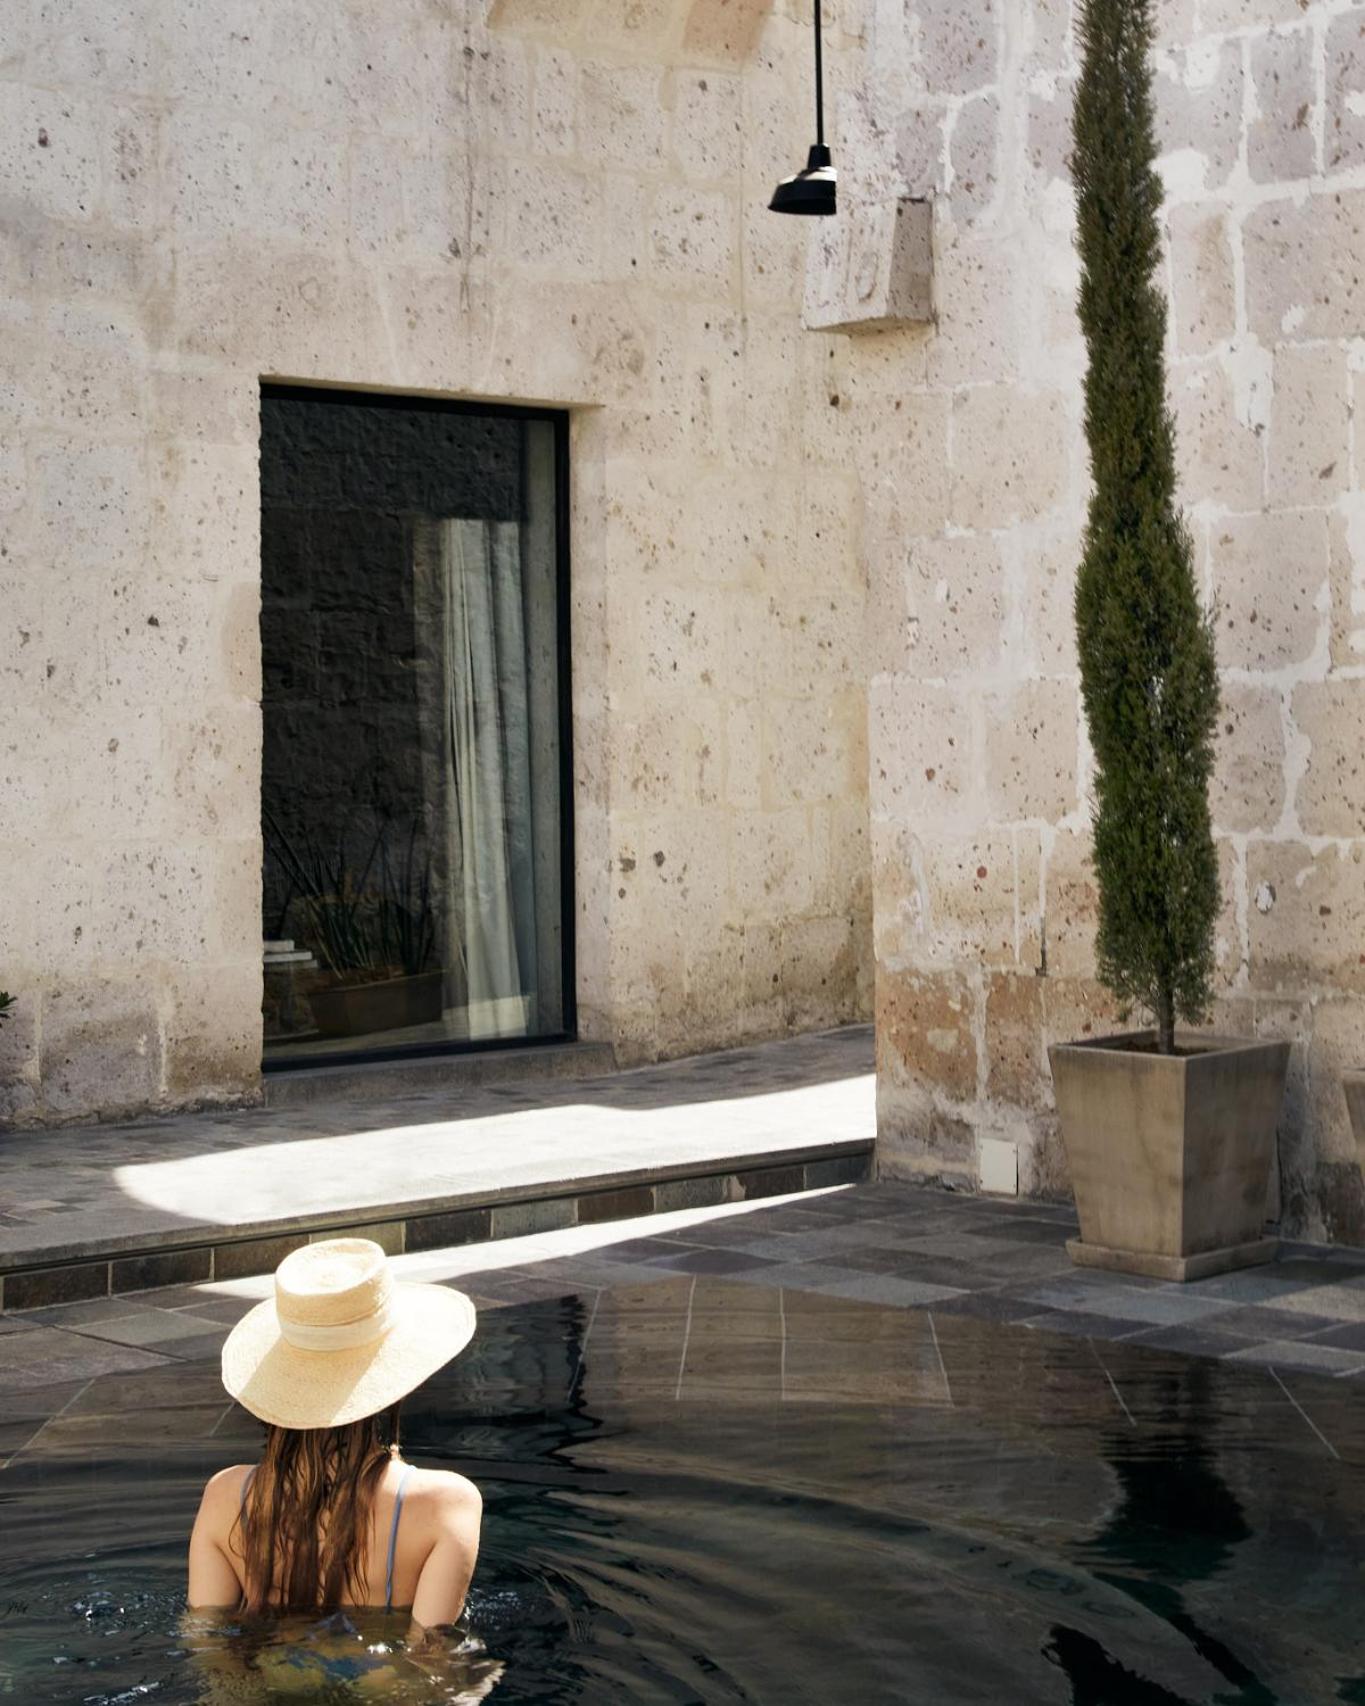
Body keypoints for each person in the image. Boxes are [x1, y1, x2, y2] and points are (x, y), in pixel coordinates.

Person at [188, 1237, 482, 1634]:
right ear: (394, 1381)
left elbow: (206, 1643)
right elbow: (430, 1657)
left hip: (270, 1668)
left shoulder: (225, 1497)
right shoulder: (446, 1504)